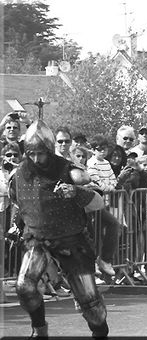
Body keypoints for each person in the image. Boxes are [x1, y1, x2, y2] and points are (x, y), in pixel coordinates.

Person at [9, 120, 110, 337]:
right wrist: (17, 225)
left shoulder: (69, 171)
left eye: (40, 153)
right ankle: (39, 331)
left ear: (49, 149)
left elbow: (99, 202)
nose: (36, 159)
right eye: (31, 153)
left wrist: (75, 192)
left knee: (92, 307)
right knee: (25, 286)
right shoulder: (20, 173)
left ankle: (100, 334)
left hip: (71, 241)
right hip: (38, 239)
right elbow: (22, 203)